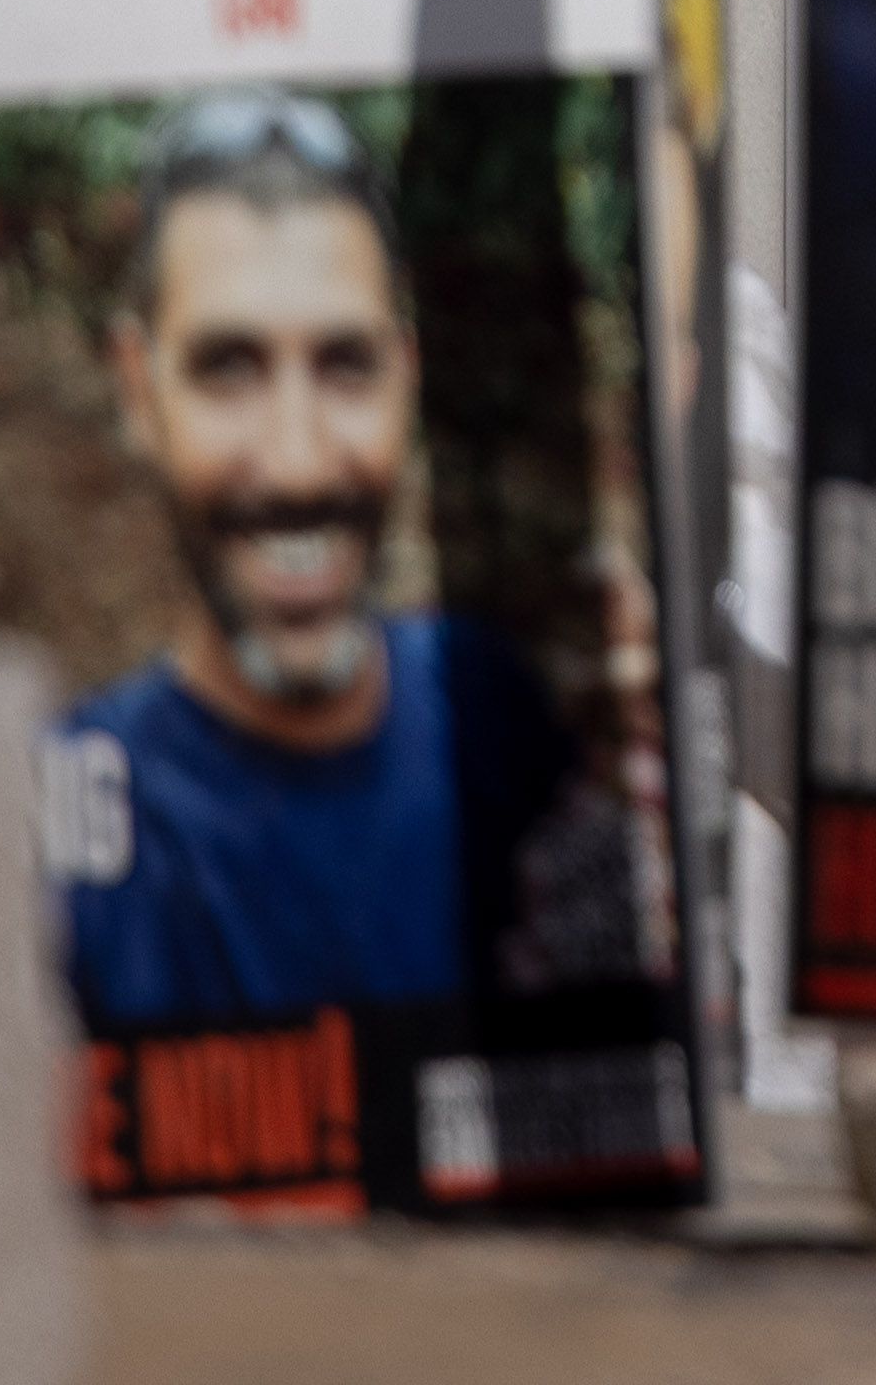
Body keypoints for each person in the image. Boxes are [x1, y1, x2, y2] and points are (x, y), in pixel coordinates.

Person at [41, 96, 616, 1029]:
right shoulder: (74, 826)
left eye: (346, 365)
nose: (300, 462)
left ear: (408, 379)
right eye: (229, 368)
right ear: (137, 392)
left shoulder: (493, 702)